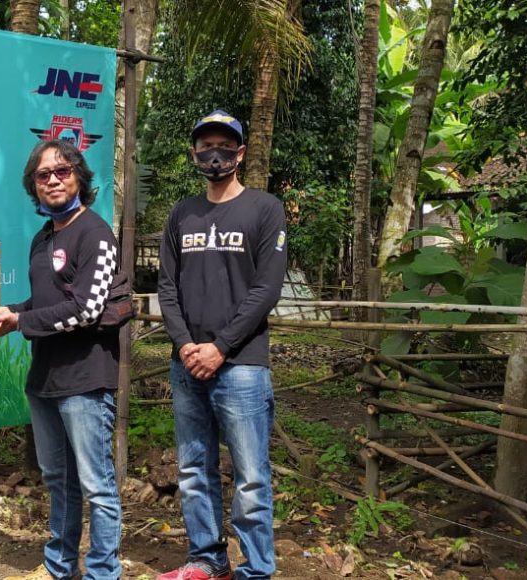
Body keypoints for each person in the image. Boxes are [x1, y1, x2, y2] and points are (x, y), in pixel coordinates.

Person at [0, 139, 123, 580]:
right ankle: (59, 566)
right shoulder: (43, 238)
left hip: (85, 379)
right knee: (57, 479)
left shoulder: (95, 233)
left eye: (62, 171)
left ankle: (103, 572)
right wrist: (7, 315)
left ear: (79, 177)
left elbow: (87, 309)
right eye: (44, 175)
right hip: (45, 377)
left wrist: (22, 322)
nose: (53, 180)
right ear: (33, 185)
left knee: (97, 485)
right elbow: (44, 303)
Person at [156, 110, 287, 580]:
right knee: (193, 468)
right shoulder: (182, 213)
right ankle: (207, 560)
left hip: (242, 364)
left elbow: (266, 289)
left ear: (241, 153)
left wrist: (221, 347)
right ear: (194, 153)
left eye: (225, 147)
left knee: (250, 476)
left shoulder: (265, 209)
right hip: (187, 363)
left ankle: (256, 569)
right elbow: (166, 286)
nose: (216, 155)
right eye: (206, 146)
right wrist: (185, 344)